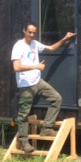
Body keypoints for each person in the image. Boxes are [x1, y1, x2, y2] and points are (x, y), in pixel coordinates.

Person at [11, 22, 75, 153]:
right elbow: (16, 67)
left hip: (37, 82)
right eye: (29, 32)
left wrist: (65, 38)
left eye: (34, 33)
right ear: (24, 31)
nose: (31, 35)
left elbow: (51, 48)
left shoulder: (35, 44)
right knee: (23, 114)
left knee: (56, 99)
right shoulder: (18, 46)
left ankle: (46, 128)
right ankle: (24, 143)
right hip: (26, 86)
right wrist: (36, 66)